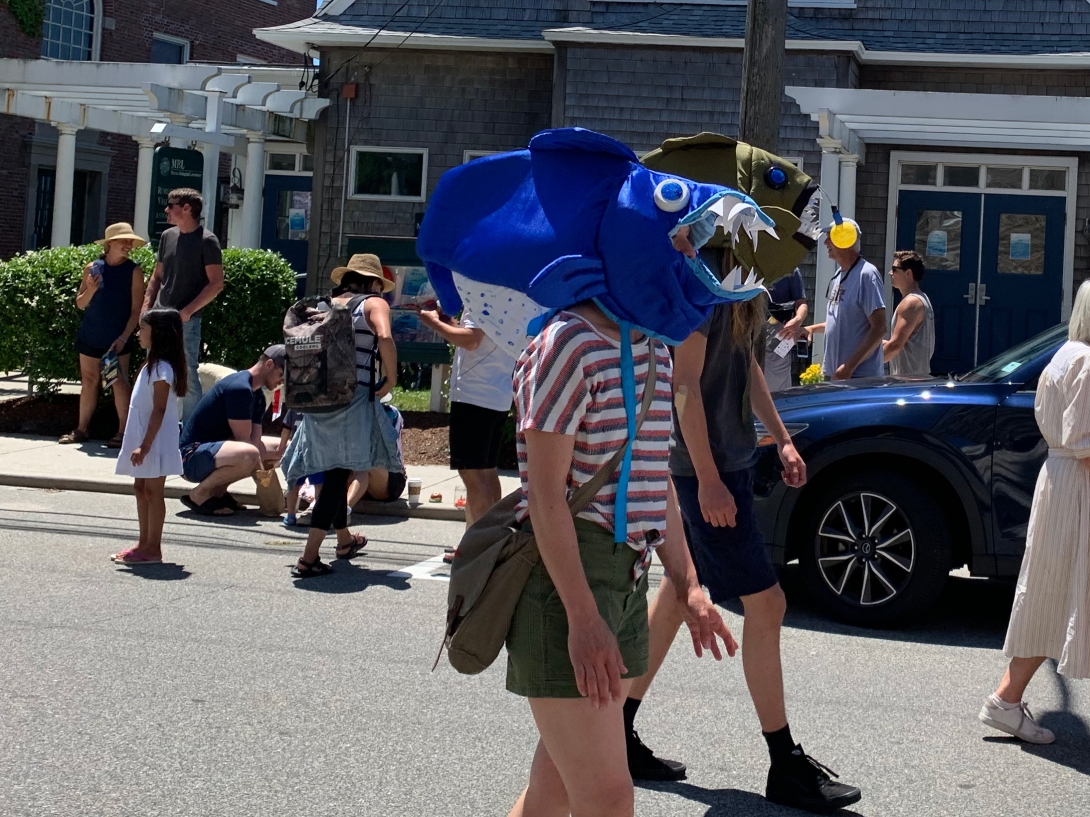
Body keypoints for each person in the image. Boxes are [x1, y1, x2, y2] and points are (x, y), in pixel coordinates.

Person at [624, 242, 861, 812]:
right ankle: (785, 765)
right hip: (703, 468)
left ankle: (617, 730)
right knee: (768, 603)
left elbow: (749, 366)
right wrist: (705, 478)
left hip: (724, 462)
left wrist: (782, 438)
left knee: (676, 597)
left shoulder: (740, 289)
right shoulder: (702, 287)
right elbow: (683, 385)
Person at [504, 301, 738, 817]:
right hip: (567, 581)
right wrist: (583, 617)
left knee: (556, 787)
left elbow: (656, 479)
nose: (686, 259)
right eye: (671, 243)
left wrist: (688, 585)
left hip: (629, 574)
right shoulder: (566, 342)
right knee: (608, 798)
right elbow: (543, 497)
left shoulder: (651, 343)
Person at [979, 279, 1090, 744]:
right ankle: (1005, 699)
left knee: (1049, 589)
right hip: (1076, 483)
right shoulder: (1085, 361)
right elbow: (1084, 441)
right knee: (1057, 588)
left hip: (1059, 479)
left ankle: (1006, 699)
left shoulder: (1066, 355)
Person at [281, 254, 400, 578]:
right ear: (374, 282)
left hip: (317, 399)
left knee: (335, 469)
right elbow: (385, 337)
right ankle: (308, 557)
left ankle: (345, 541)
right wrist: (391, 376)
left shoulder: (324, 305)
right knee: (337, 477)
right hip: (352, 395)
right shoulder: (373, 304)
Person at [418, 306, 513, 562]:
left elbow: (471, 340)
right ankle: (482, 539)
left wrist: (433, 323)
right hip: (499, 392)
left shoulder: (479, 298)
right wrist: (449, 321)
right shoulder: (506, 297)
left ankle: (478, 548)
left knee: (473, 475)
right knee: (487, 472)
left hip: (473, 394)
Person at [110, 309, 187, 565]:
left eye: (143, 329)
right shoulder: (150, 365)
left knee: (154, 491)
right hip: (144, 438)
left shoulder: (163, 368)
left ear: (158, 333)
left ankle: (153, 548)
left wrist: (144, 446)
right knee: (140, 487)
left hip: (154, 441)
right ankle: (143, 543)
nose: (138, 334)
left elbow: (160, 409)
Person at [60, 222, 145, 447]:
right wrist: (91, 289)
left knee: (117, 382)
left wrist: (123, 338)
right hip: (90, 336)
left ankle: (122, 433)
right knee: (89, 381)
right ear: (110, 244)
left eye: (130, 241)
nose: (128, 245)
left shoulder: (133, 271)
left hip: (116, 341)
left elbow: (137, 309)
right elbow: (80, 303)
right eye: (123, 241)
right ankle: (81, 430)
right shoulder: (92, 268)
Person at [142, 188, 224, 422]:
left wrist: (187, 312)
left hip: (186, 322)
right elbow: (157, 276)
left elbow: (216, 284)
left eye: (171, 205)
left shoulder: (207, 241)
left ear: (187, 208)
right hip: (158, 319)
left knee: (186, 377)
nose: (166, 209)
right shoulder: (167, 236)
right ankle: (153, 428)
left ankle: (190, 434)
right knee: (155, 373)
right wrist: (146, 309)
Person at [178, 345, 286, 516]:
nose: (283, 382)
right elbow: (244, 443)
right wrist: (264, 486)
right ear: (269, 364)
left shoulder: (256, 393)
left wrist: (266, 478)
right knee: (249, 454)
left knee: (284, 448)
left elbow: (255, 440)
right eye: (282, 375)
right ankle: (199, 494)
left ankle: (219, 493)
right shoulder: (239, 388)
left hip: (214, 454)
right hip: (190, 458)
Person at [804, 218, 886, 381]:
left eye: (831, 237)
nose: (826, 242)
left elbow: (879, 328)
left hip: (858, 378)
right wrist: (811, 329)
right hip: (837, 375)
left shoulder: (867, 275)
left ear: (845, 239)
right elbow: (845, 322)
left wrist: (848, 367)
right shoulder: (838, 276)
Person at [883, 250, 935, 377]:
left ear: (908, 273)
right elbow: (906, 342)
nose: (890, 273)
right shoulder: (921, 298)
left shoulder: (911, 303)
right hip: (917, 379)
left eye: (894, 269)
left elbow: (895, 346)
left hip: (908, 382)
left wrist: (862, 365)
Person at [347, 400, 407, 507]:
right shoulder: (349, 413)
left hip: (389, 477)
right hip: (356, 473)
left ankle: (344, 509)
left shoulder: (390, 413)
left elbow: (390, 451)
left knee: (365, 463)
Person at [762, 267, 808, 392]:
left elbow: (801, 303)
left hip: (780, 334)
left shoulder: (791, 269)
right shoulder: (749, 261)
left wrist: (797, 320)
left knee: (777, 386)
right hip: (749, 331)